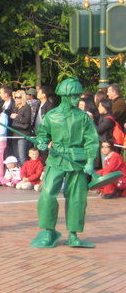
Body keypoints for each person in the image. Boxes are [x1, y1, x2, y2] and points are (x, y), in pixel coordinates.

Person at [32, 78, 99, 248]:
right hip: (55, 160)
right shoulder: (51, 116)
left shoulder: (83, 117)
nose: (78, 99)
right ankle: (48, 231)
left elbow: (92, 141)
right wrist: (41, 142)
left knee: (77, 198)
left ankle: (74, 235)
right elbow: (42, 134)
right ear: (65, 96)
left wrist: (90, 161)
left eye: (78, 95)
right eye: (74, 96)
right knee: (47, 195)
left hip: (77, 162)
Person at [9, 90, 32, 165]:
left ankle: (25, 175)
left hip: (22, 134)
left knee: (22, 157)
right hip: (15, 134)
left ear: (23, 97)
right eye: (15, 97)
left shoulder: (27, 107)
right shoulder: (16, 108)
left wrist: (16, 117)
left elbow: (26, 120)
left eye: (19, 97)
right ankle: (19, 174)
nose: (17, 99)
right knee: (17, 157)